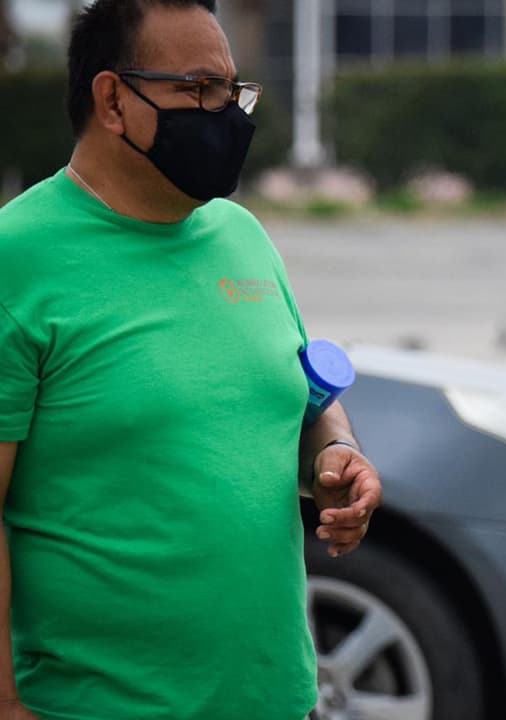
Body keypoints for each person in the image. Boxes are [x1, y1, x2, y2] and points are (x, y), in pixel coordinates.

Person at [0, 2, 382, 718]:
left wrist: (339, 455)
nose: (228, 115)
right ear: (113, 99)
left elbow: (300, 396)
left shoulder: (241, 235)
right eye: (200, 90)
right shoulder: (17, 258)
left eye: (234, 91)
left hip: (279, 699)